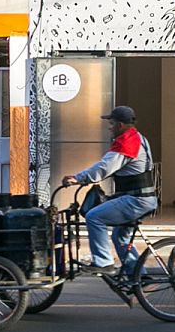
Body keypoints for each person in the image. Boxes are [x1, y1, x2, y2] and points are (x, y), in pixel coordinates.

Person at [61, 105, 158, 276]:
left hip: (136, 200)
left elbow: (105, 167)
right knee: (120, 237)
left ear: (120, 125)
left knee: (94, 217)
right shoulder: (137, 138)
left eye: (111, 123)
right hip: (141, 198)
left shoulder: (127, 143)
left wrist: (78, 178)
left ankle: (103, 262)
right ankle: (138, 276)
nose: (109, 127)